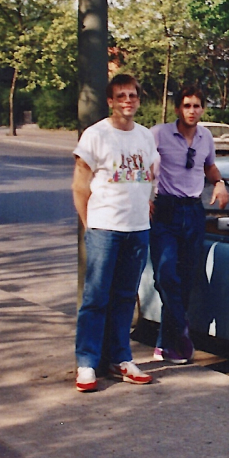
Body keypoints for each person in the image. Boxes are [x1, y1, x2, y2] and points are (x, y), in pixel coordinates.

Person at [72, 74, 158, 392]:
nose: (127, 101)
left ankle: (120, 358)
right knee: (95, 298)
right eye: (121, 96)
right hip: (104, 228)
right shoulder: (95, 136)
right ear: (110, 101)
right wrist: (90, 224)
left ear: (138, 100)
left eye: (132, 96)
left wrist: (147, 204)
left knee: (125, 298)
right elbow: (80, 185)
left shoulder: (146, 137)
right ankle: (87, 363)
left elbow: (150, 177)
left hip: (137, 230)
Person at [149, 85, 229, 364]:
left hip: (193, 212)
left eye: (196, 106)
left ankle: (165, 344)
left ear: (202, 109)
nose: (192, 111)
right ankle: (182, 329)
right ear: (177, 109)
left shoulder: (206, 136)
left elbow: (209, 166)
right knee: (165, 275)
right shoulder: (158, 134)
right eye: (186, 106)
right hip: (165, 211)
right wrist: (144, 194)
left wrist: (219, 183)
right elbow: (142, 165)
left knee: (184, 280)